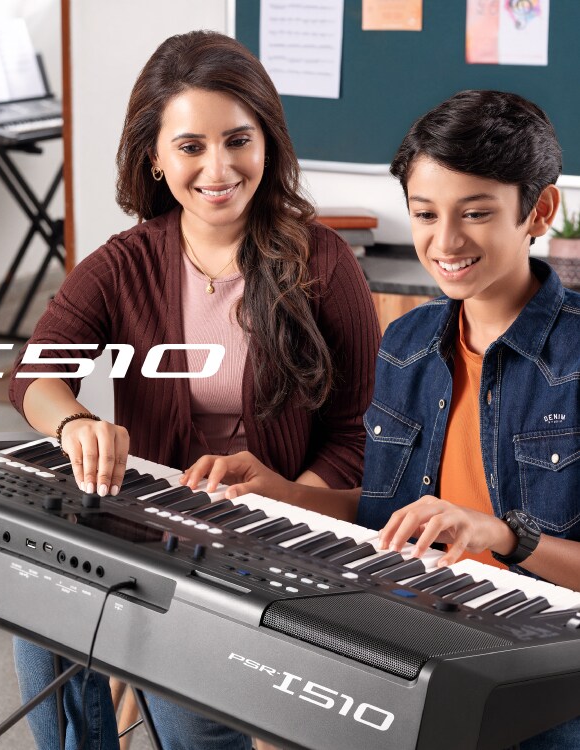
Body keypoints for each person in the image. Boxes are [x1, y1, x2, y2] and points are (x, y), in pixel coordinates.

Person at [8, 30, 380, 750]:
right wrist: (75, 423)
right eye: (190, 147)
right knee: (41, 616)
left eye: (238, 140)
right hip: (155, 529)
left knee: (185, 708)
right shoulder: (126, 262)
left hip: (280, 534)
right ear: (155, 156)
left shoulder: (324, 263)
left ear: (267, 143)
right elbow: (35, 371)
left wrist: (282, 505)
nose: (219, 168)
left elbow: (357, 436)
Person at [184, 90, 580, 748]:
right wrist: (285, 494)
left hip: (543, 664)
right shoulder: (407, 342)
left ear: (538, 211)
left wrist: (502, 536)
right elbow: (385, 516)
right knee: (228, 677)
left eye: (476, 213)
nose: (445, 241)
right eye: (425, 213)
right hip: (414, 628)